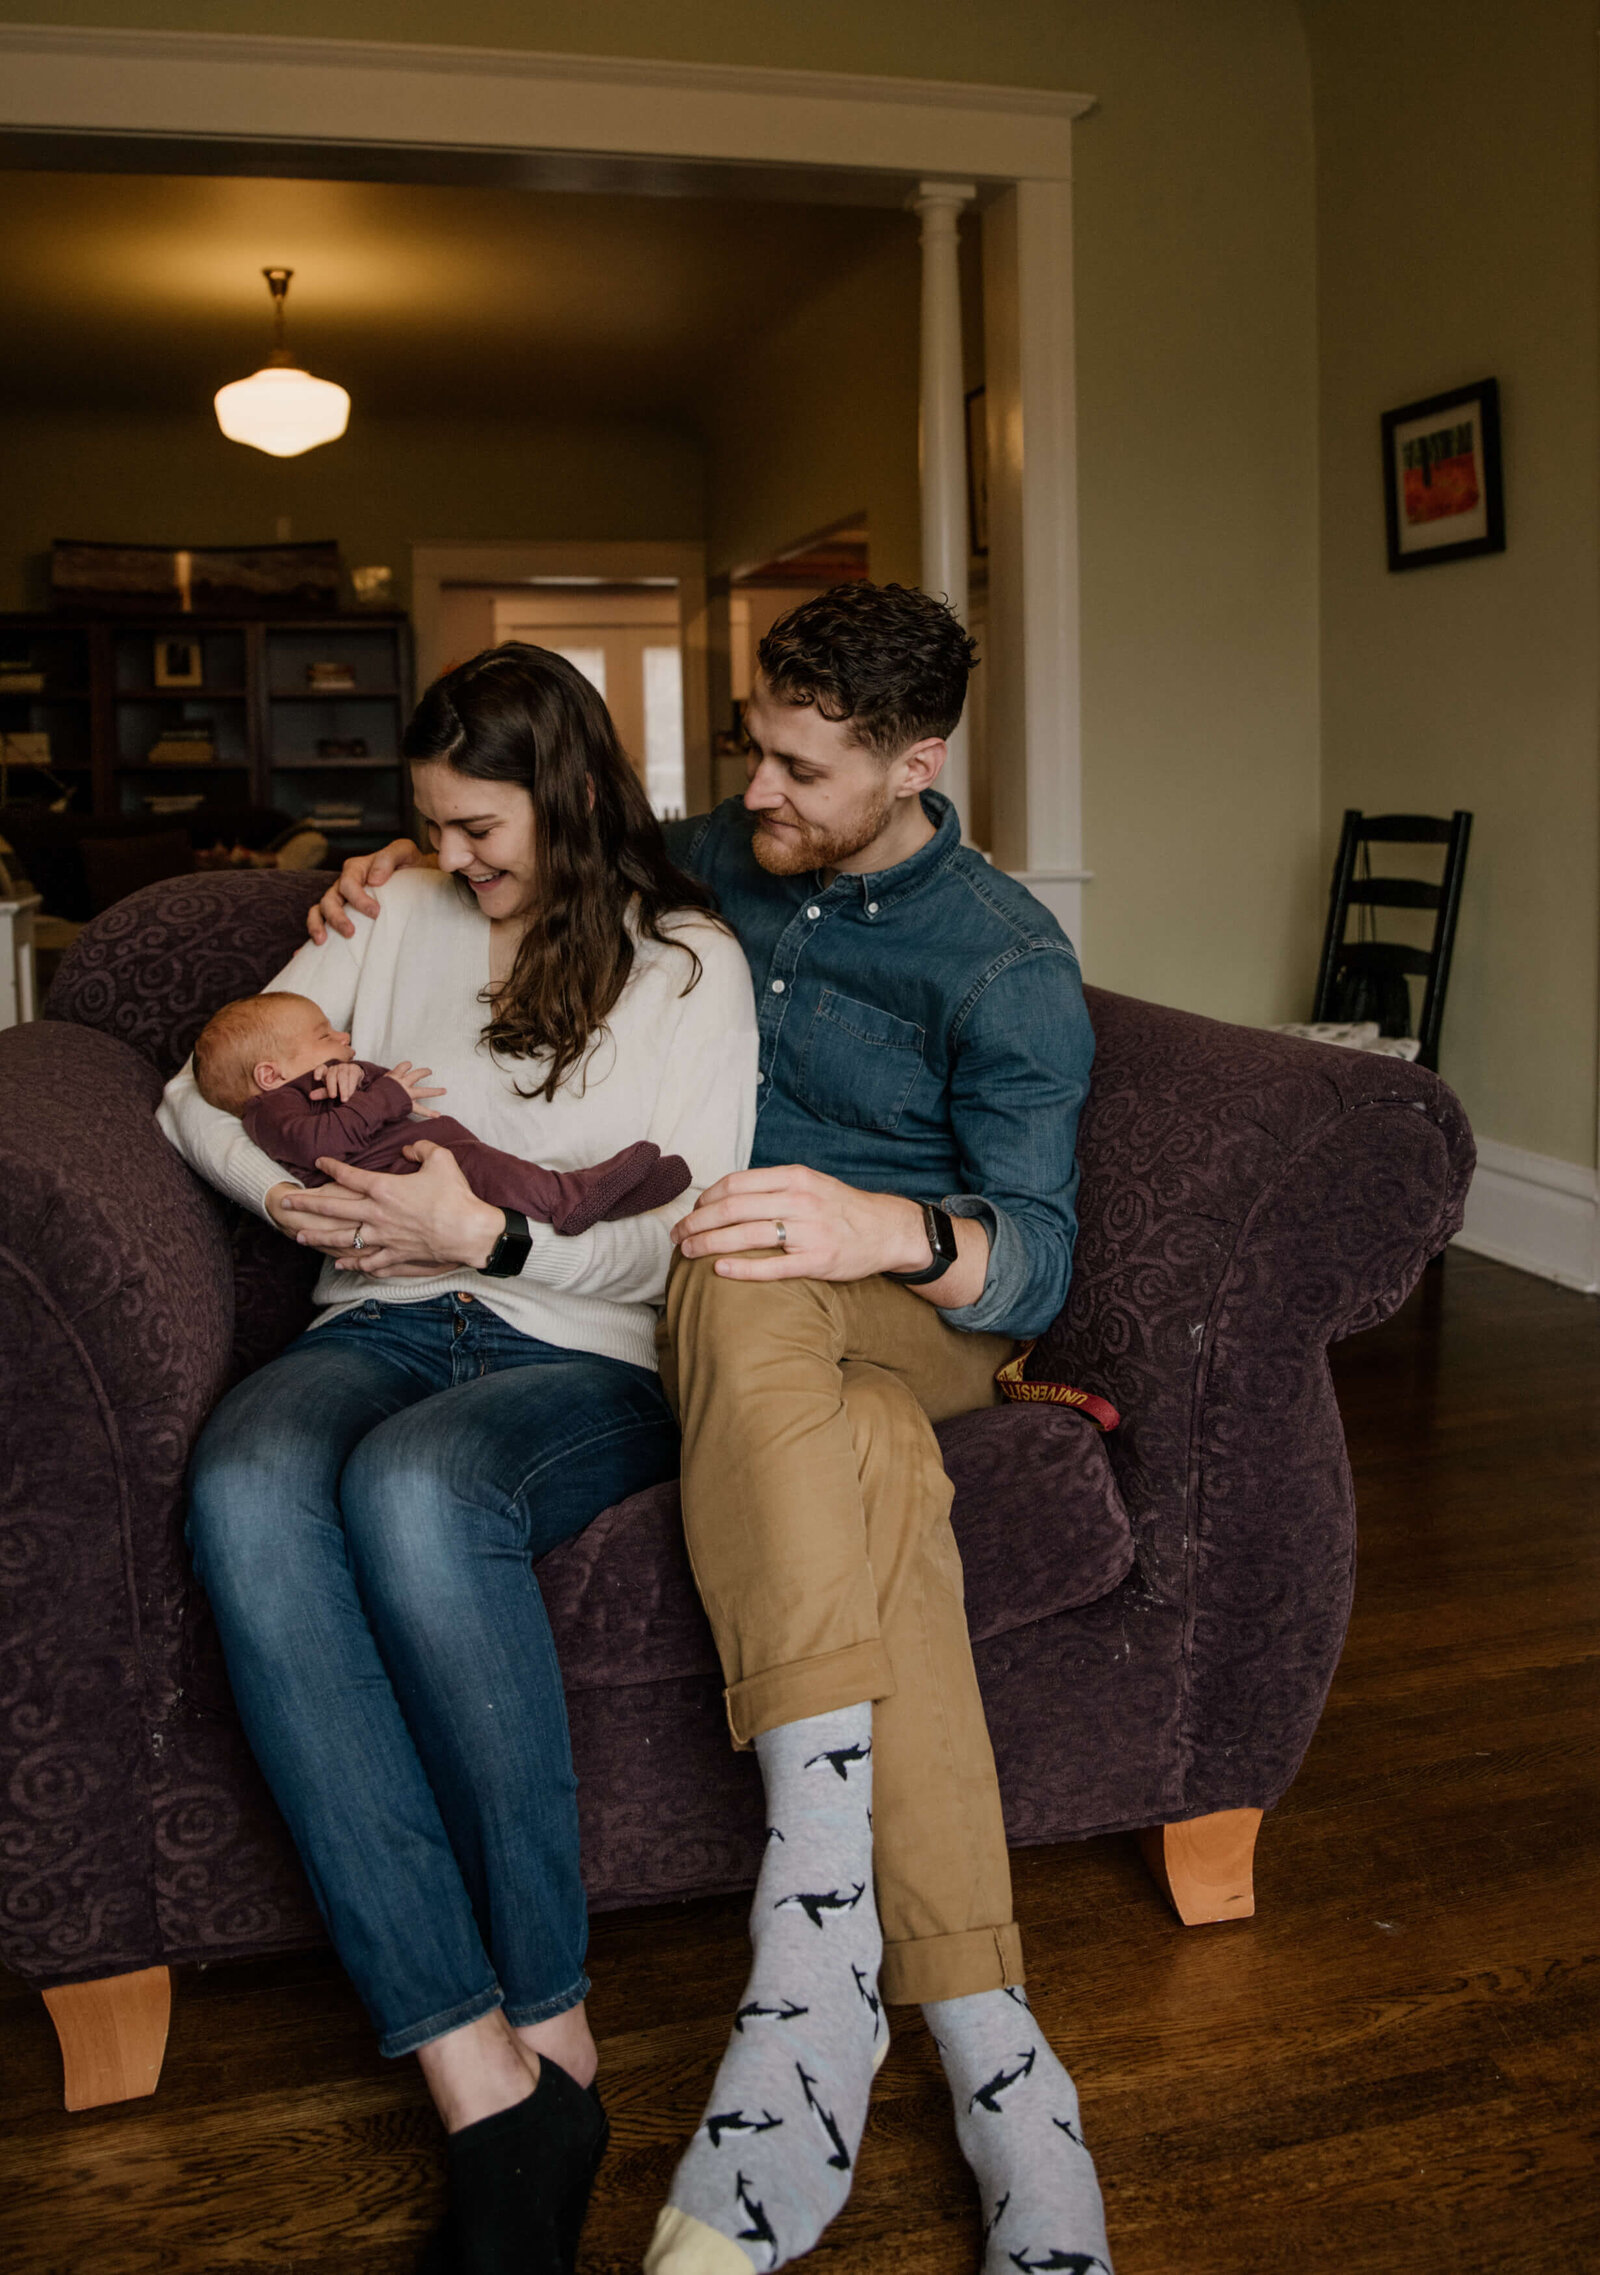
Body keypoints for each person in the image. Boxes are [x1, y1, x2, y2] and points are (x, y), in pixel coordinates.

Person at [308, 583, 1110, 2275]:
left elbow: (1032, 1258)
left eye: (806, 771)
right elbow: (542, 824)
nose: (759, 797)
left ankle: (812, 1957)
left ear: (916, 763)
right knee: (840, 1418)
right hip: (765, 1350)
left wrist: (877, 1229)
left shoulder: (1005, 955)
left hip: (907, 1310)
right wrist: (394, 860)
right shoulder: (724, 855)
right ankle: (1000, 2064)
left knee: (748, 1250)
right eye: (755, 751)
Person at [163, 644, 757, 2275]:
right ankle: (480, 2073)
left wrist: (484, 1231)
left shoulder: (689, 966)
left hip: (585, 1354)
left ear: (565, 799)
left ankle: (554, 2025)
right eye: (429, 824)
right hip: (371, 1322)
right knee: (242, 1485)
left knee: (421, 1494)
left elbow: (675, 1243)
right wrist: (285, 1194)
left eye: (479, 828)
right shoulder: (399, 912)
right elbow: (196, 1092)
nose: (455, 860)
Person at [192, 988, 692, 1233]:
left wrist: (361, 1076)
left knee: (481, 1164)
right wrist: (384, 1095)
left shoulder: (318, 1084)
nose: (342, 1037)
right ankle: (568, 1198)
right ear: (269, 1075)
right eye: (325, 1036)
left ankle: (594, 1200)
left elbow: (359, 1102)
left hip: (413, 1163)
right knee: (474, 1166)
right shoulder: (270, 1111)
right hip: (399, 1183)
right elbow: (321, 1146)